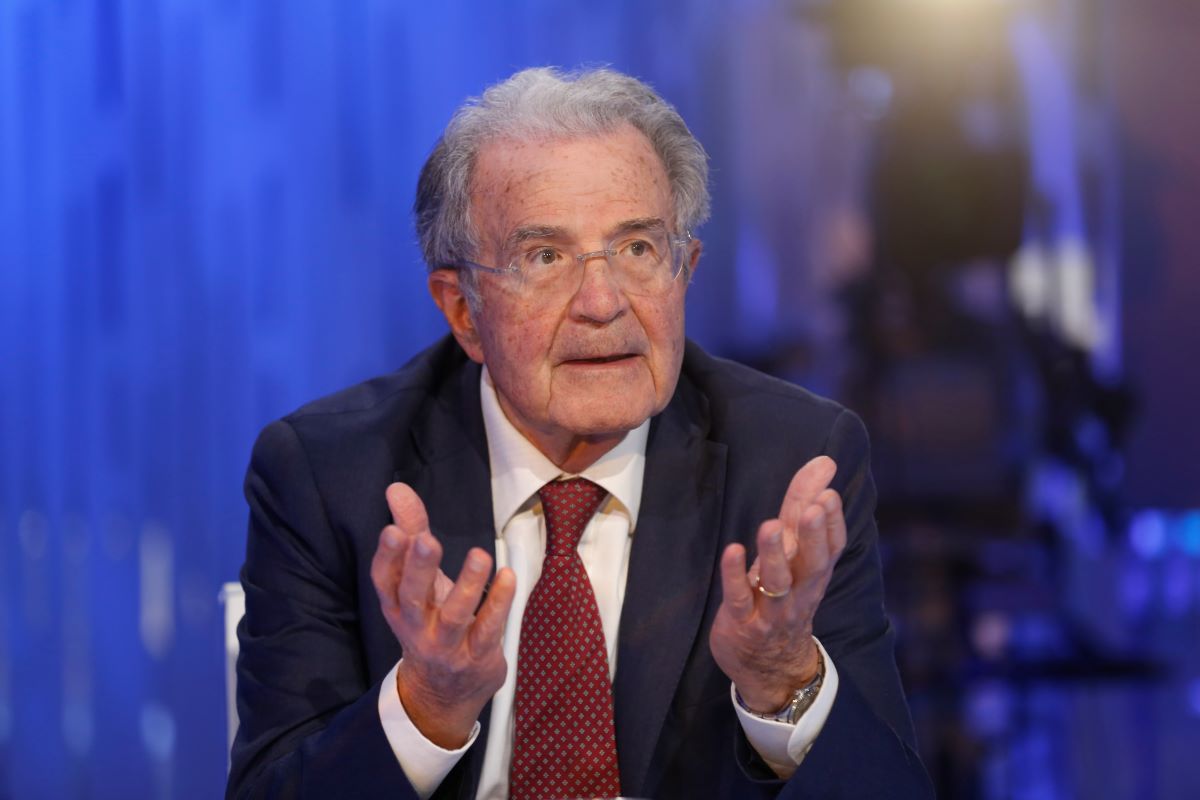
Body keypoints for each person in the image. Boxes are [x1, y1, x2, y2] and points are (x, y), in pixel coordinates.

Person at [228, 67, 933, 800]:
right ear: (462, 309)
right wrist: (426, 707)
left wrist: (784, 680)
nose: (602, 302)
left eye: (638, 249)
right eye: (545, 257)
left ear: (685, 270)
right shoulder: (329, 476)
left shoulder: (793, 466)